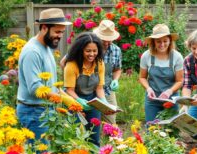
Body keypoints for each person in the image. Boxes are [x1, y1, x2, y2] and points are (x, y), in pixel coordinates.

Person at [16, 8, 71, 145]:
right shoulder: (32, 52)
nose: (60, 36)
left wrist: (70, 98)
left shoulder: (46, 47)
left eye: (62, 32)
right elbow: (35, 89)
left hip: (45, 110)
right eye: (57, 32)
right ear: (44, 28)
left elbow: (50, 85)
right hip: (33, 113)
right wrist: (63, 99)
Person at [60, 20, 122, 124]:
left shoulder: (114, 51)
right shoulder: (84, 48)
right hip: (79, 92)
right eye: (104, 40)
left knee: (110, 122)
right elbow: (64, 63)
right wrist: (73, 77)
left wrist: (115, 80)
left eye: (109, 40)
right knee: (78, 127)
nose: (106, 43)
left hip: (102, 90)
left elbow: (117, 69)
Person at [64, 32, 105, 146]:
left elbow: (99, 88)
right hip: (74, 100)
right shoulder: (72, 65)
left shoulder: (99, 63)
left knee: (94, 136)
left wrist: (104, 102)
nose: (92, 54)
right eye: (88, 51)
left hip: (92, 101)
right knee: (76, 136)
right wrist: (79, 101)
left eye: (94, 51)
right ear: (81, 50)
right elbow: (69, 90)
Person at [139, 24, 184, 123]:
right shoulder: (146, 56)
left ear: (170, 41)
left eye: (165, 41)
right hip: (152, 100)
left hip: (171, 100)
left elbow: (180, 81)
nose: (162, 44)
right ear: (153, 42)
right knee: (151, 130)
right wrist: (148, 88)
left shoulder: (177, 57)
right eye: (158, 41)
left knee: (171, 131)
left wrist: (169, 91)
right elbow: (142, 77)